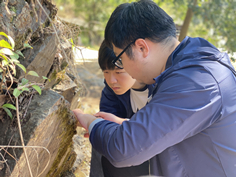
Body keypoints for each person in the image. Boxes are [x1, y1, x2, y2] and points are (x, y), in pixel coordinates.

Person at [73, 0, 236, 177]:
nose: (124, 68)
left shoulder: (197, 81)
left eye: (120, 60)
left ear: (142, 48)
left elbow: (124, 149)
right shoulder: (185, 70)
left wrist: (91, 122)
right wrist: (126, 125)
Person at [90, 40, 154, 177]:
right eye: (106, 72)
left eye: (118, 72)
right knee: (100, 138)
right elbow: (108, 125)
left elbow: (158, 131)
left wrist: (121, 121)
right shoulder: (111, 90)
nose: (111, 80)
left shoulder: (159, 87)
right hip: (129, 151)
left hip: (157, 154)